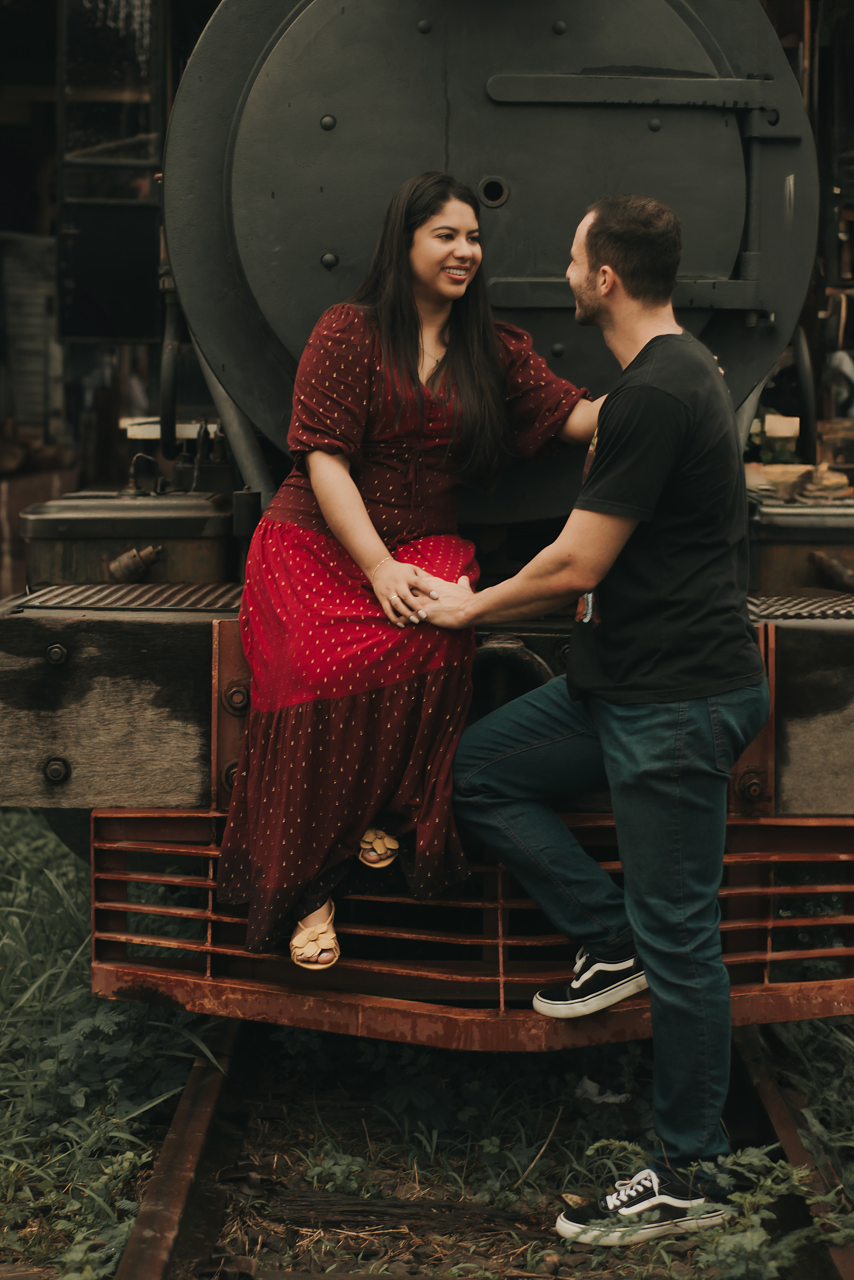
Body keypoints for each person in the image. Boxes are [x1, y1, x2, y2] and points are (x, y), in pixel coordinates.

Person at [417, 194, 769, 1245]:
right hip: (618, 684)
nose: (561, 269)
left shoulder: (658, 392)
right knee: (480, 768)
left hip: (673, 700)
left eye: (571, 256)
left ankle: (689, 1172)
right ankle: (601, 937)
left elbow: (578, 560)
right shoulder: (663, 375)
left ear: (602, 279)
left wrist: (468, 607)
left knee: (684, 940)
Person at [216, 171, 602, 967]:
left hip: (427, 539)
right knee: (306, 665)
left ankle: (382, 814)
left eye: (473, 238)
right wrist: (377, 566)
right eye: (447, 236)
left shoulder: (490, 349)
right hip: (318, 536)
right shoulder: (348, 332)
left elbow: (572, 415)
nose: (466, 251)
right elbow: (323, 463)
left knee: (437, 633)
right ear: (406, 242)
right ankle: (314, 887)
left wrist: (660, 393)